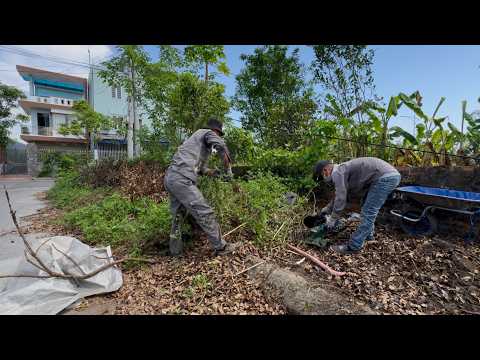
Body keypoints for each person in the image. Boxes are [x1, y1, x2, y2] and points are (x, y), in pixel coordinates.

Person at [163, 117, 240, 257]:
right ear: (215, 131)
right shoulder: (206, 133)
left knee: (178, 217)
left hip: (171, 178)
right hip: (182, 179)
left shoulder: (199, 146)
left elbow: (201, 169)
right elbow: (221, 146)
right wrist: (228, 169)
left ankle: (175, 252)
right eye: (218, 134)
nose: (216, 136)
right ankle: (221, 247)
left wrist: (214, 173)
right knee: (205, 211)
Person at [313, 157, 401, 255]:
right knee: (366, 208)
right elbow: (339, 196)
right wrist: (326, 210)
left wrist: (333, 218)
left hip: (385, 178)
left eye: (322, 176)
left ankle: (354, 246)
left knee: (368, 212)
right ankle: (368, 237)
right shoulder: (341, 171)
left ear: (325, 170)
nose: (324, 179)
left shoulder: (337, 173)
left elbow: (341, 198)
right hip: (385, 176)